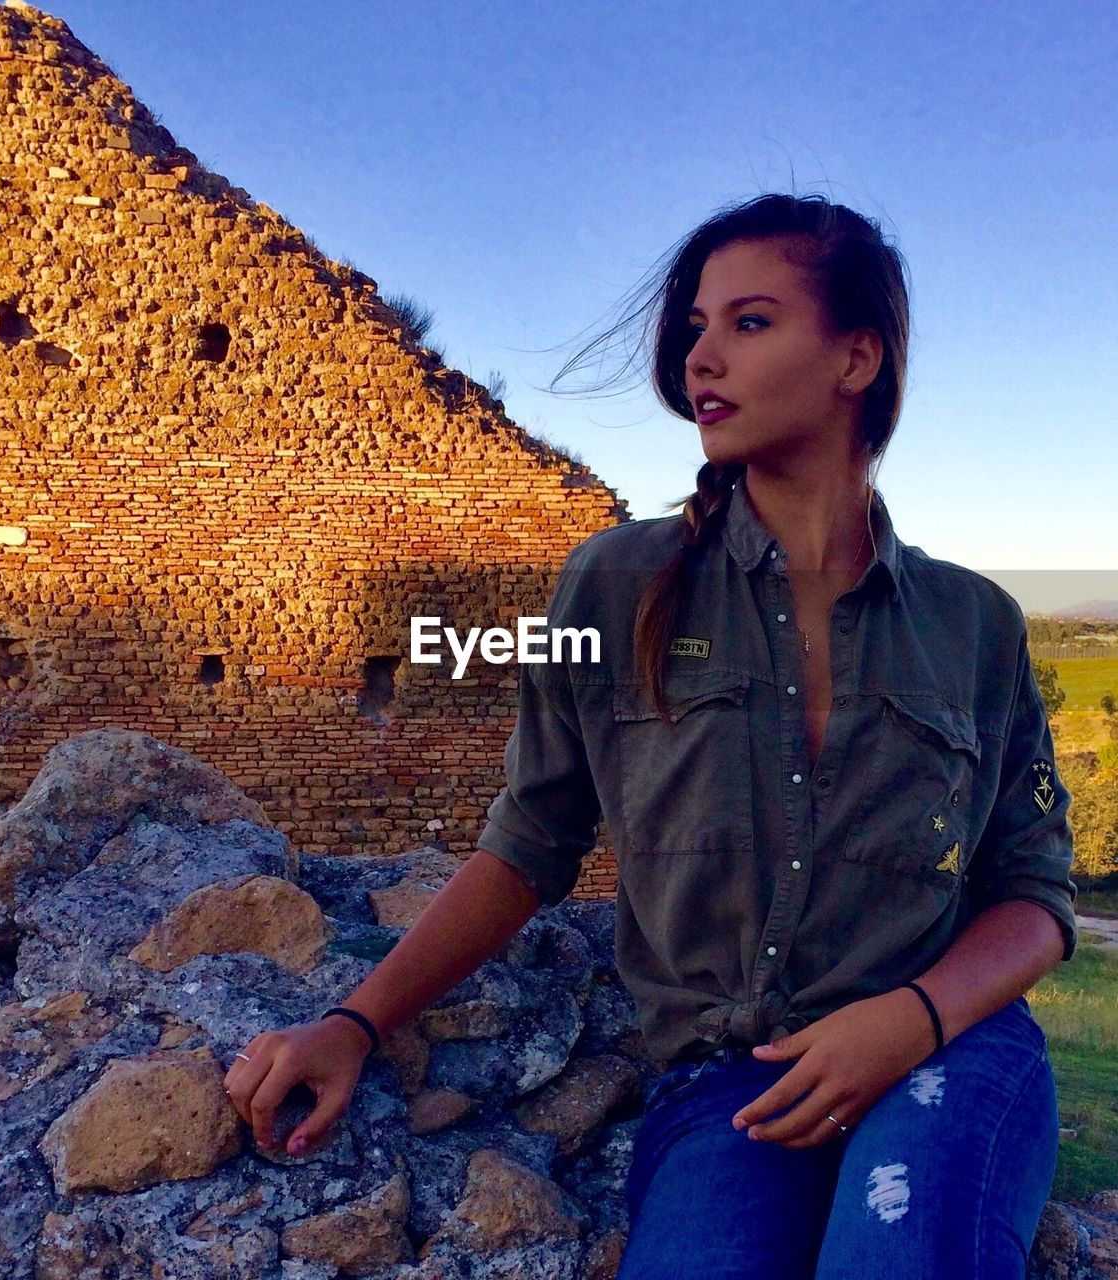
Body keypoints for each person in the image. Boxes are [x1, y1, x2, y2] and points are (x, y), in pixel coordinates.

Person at [223, 193, 1077, 1278]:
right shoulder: (611, 585)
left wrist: (908, 1017)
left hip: (946, 1048)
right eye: (693, 328)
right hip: (727, 1082)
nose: (697, 357)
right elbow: (528, 841)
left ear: (854, 357)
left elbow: (1032, 895)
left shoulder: (973, 624)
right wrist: (352, 1019)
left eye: (747, 322)